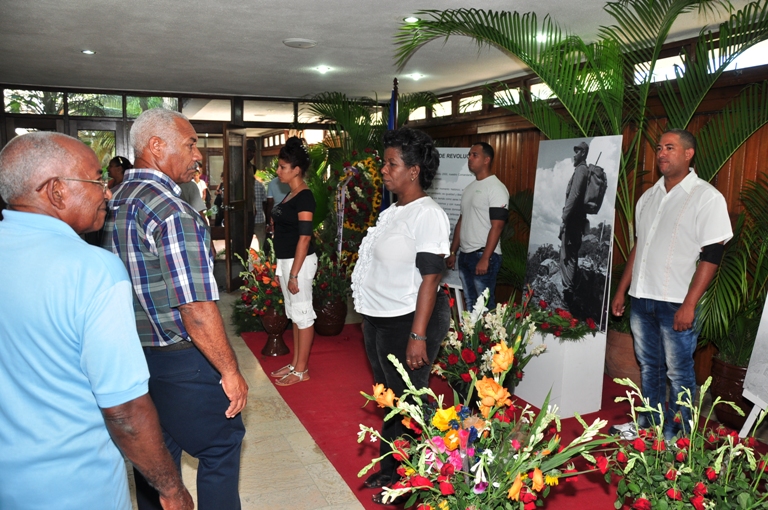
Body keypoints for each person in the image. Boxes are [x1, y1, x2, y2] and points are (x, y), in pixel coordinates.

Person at [0, 132, 192, 510]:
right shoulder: (93, 270)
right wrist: (171, 488)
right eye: (96, 180)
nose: (107, 192)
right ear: (56, 191)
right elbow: (125, 410)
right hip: (74, 484)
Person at [101, 108, 248, 509]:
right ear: (156, 146)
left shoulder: (112, 202)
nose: (197, 154)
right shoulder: (172, 211)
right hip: (181, 360)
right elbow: (196, 308)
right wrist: (230, 371)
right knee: (220, 449)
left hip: (131, 359)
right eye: (190, 144)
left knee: (154, 461)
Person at [610, 129, 732, 441]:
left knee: (679, 373)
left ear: (689, 154)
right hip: (641, 300)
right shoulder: (648, 197)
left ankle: (679, 437)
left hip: (676, 302)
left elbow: (713, 253)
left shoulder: (706, 197)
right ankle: (650, 426)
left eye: (670, 147)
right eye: (659, 148)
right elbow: (641, 246)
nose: (662, 153)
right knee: (649, 368)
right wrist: (623, 290)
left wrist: (689, 305)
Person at [351, 127, 451, 505]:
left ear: (413, 171)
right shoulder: (395, 211)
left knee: (410, 403)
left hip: (409, 320)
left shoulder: (428, 214)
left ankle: (413, 479)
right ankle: (393, 468)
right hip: (378, 317)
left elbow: (430, 278)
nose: (384, 169)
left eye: (391, 163)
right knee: (391, 399)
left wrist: (418, 335)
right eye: (385, 162)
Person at [268, 137, 318, 386]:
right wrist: (283, 270)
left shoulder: (305, 197)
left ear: (296, 170)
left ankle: (302, 370)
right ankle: (296, 363)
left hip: (301, 263)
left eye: (282, 167)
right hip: (287, 261)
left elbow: (305, 237)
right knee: (295, 315)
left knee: (303, 315)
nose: (278, 171)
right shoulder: (291, 194)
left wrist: (295, 273)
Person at [446, 142, 509, 310]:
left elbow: (497, 226)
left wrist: (485, 258)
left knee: (485, 307)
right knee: (470, 303)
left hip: (483, 255)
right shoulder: (469, 188)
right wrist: (453, 252)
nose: (469, 158)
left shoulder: (496, 188)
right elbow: (462, 221)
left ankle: (488, 337)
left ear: (487, 160)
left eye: (474, 155)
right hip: (465, 256)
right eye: (469, 155)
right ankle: (472, 336)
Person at [559, 141, 590, 305]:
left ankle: (568, 294)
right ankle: (568, 290)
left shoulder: (581, 170)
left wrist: (564, 217)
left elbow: (574, 194)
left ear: (583, 153)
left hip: (573, 222)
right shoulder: (581, 170)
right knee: (568, 254)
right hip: (575, 221)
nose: (574, 154)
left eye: (577, 151)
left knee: (570, 256)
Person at [265, 173, 290, 238]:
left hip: (277, 216)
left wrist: (268, 223)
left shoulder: (272, 183)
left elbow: (270, 203)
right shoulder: (296, 182)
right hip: (292, 214)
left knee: (279, 238)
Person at [253, 174, 267, 250]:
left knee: (245, 240)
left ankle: (244, 258)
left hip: (246, 219)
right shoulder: (260, 185)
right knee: (261, 240)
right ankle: (262, 257)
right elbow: (265, 201)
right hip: (259, 217)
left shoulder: (242, 186)